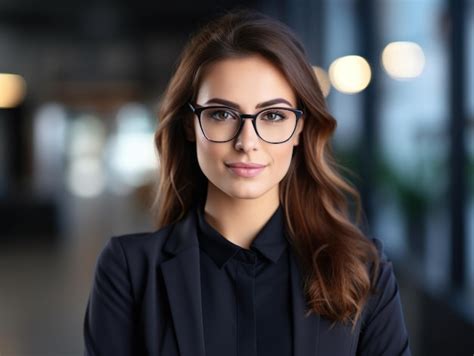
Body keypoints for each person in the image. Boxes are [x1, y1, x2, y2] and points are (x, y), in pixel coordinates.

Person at [83, 8, 412, 356]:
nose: (247, 141)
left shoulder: (363, 270)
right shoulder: (129, 271)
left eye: (272, 116)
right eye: (222, 114)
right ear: (189, 126)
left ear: (300, 129)